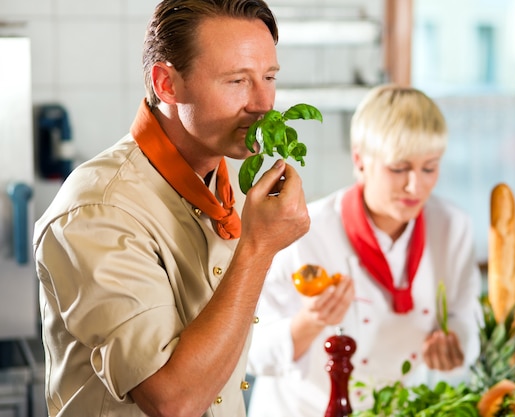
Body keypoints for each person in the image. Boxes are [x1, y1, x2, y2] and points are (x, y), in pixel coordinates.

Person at [32, 1, 310, 416]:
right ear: (166, 84)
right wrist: (258, 249)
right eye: (236, 81)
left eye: (268, 77)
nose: (263, 104)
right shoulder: (100, 211)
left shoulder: (219, 182)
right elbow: (173, 403)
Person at [246, 84, 483, 416]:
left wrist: (457, 345)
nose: (415, 186)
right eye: (398, 168)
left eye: (429, 168)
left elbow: (467, 318)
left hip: (398, 408)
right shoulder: (302, 229)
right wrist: (310, 321)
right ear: (360, 160)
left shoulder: (452, 228)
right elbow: (252, 353)